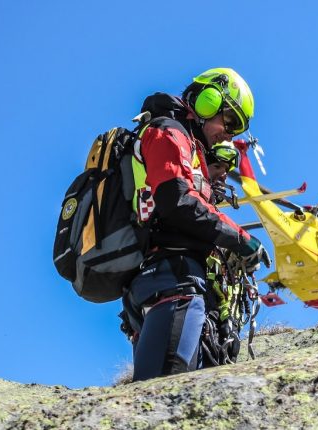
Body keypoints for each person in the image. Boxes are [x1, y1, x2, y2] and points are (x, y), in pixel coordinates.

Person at [121, 68, 271, 381]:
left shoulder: (189, 148)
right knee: (162, 393)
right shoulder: (167, 131)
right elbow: (178, 202)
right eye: (228, 122)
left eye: (235, 130)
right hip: (171, 282)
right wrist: (240, 239)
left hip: (173, 281)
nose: (228, 135)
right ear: (207, 102)